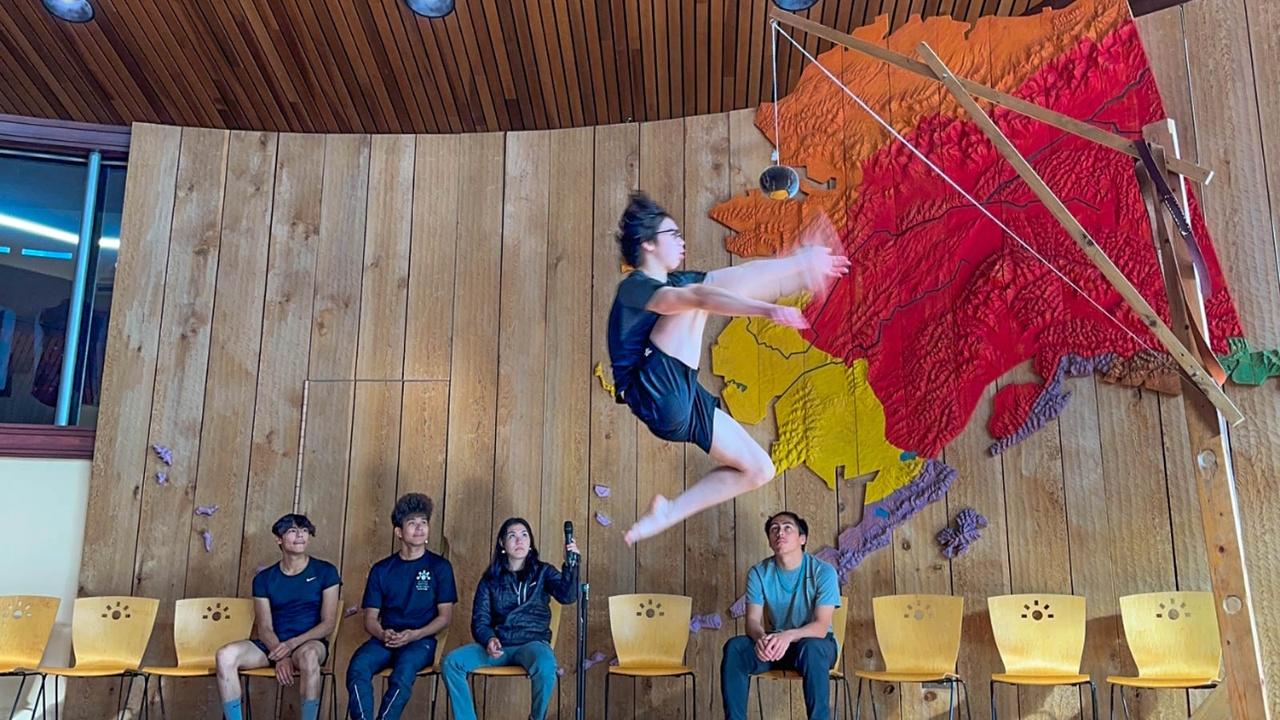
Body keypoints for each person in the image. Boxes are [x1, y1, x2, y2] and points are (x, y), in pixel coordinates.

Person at [607, 192, 850, 544]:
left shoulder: (680, 281)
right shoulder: (635, 287)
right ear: (647, 244)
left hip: (682, 401)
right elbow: (700, 298)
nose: (682, 241)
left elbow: (740, 276)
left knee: (760, 469)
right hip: (652, 390)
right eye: (672, 235)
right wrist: (767, 310)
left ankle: (668, 513)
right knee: (700, 294)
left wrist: (799, 264)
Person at [441, 517, 580, 720]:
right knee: (452, 662)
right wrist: (489, 638)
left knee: (546, 664)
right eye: (512, 536)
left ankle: (536, 717)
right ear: (502, 544)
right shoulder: (490, 579)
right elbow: (480, 619)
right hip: (499, 645)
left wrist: (571, 566)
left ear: (530, 543)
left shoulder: (543, 572)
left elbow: (568, 596)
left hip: (532, 643)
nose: (519, 541)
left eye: (524, 535)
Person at [214, 513, 341, 720]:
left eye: (304, 531)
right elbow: (264, 627)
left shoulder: (326, 571)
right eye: (292, 531)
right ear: (279, 539)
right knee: (225, 655)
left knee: (309, 657)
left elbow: (328, 624)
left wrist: (291, 646)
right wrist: (281, 654)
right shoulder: (264, 579)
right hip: (272, 646)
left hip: (308, 643)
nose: (300, 535)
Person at [721, 511, 841, 720]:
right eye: (774, 529)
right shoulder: (758, 573)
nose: (780, 532)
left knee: (811, 648)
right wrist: (761, 639)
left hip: (816, 646)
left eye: (787, 528)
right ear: (769, 540)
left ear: (802, 538)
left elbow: (821, 626)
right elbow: (751, 621)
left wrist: (787, 636)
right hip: (775, 645)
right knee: (736, 647)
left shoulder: (824, 572)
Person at [346, 493, 456, 720]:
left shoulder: (440, 567)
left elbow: (444, 617)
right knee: (358, 667)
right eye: (412, 523)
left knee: (403, 673)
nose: (419, 528)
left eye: (423, 523)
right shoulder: (381, 569)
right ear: (398, 532)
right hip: (385, 638)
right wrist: (383, 633)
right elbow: (370, 619)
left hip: (420, 640)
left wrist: (414, 634)